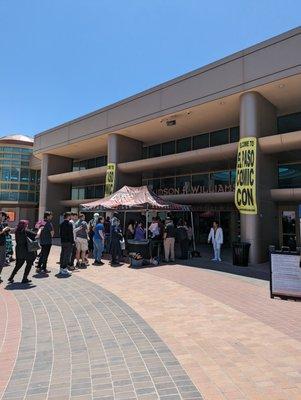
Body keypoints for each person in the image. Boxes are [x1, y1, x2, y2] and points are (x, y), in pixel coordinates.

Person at [0, 212, 10, 284]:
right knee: (2, 261)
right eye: (3, 216)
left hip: (2, 244)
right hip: (1, 244)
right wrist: (5, 228)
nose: (4, 217)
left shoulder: (1, 223)